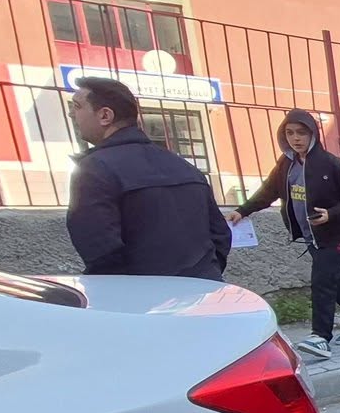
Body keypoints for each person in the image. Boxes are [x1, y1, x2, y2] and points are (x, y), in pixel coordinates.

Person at [231, 109, 340, 361]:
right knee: (335, 280)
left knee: (322, 280)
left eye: (301, 133)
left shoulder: (331, 163)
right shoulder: (286, 165)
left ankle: (320, 337)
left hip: (338, 234)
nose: (296, 138)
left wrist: (332, 213)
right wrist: (242, 211)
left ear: (313, 134)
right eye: (290, 133)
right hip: (312, 237)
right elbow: (268, 192)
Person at [65, 76, 231, 283]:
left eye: (77, 106)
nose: (71, 114)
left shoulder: (94, 170)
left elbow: (99, 250)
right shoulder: (184, 166)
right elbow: (220, 235)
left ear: (105, 115)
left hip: (143, 302)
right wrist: (205, 275)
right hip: (202, 292)